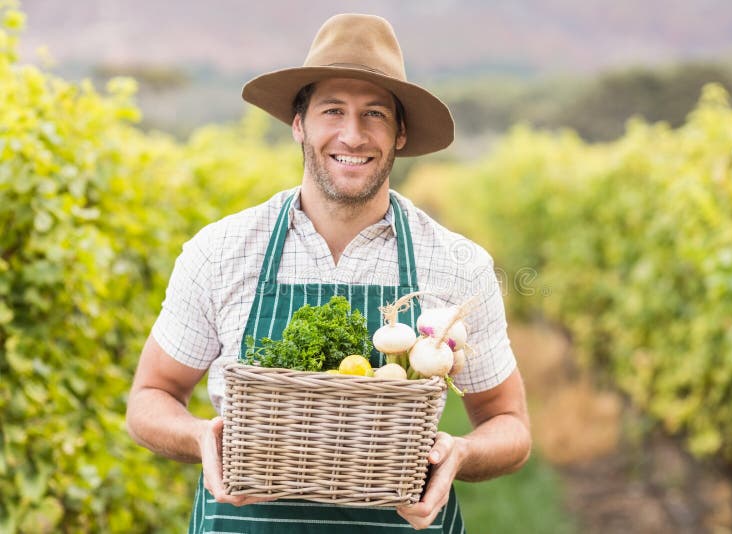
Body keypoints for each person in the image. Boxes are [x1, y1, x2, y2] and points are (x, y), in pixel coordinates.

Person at [126, 13, 531, 533]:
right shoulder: (221, 251)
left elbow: (510, 424)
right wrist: (202, 437)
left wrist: (459, 453)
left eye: (376, 115)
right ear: (299, 124)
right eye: (332, 110)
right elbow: (151, 395)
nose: (352, 134)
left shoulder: (455, 264)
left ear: (401, 132)